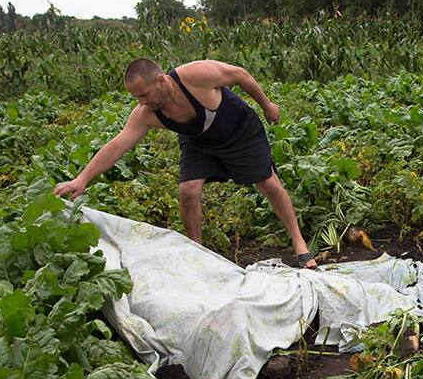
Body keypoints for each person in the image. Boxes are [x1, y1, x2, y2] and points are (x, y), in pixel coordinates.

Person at [53, 58, 317, 268]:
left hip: (239, 130)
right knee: (188, 190)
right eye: (136, 98)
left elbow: (240, 74)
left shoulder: (194, 76)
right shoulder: (146, 113)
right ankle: (198, 253)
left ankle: (298, 242)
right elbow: (118, 145)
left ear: (160, 80)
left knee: (268, 183)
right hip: (199, 142)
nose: (142, 102)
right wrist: (83, 178)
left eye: (144, 94)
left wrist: (267, 104)